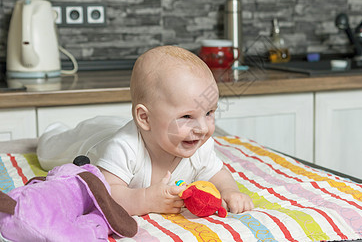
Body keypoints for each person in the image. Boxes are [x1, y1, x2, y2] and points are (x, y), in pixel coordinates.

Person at [37, 45, 254, 216]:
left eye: (209, 113)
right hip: (92, 141)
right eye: (187, 117)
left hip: (127, 127)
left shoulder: (201, 145)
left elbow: (217, 173)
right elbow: (107, 193)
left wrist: (230, 191)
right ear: (145, 118)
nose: (204, 128)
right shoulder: (123, 148)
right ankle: (54, 130)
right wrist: (146, 200)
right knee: (51, 150)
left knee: (112, 124)